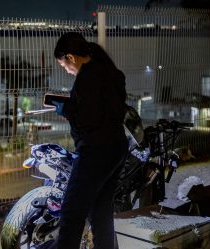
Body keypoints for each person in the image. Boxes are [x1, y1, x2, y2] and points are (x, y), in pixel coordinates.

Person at [52, 32, 128, 249]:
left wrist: (66, 109)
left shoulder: (88, 78)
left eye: (63, 65)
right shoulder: (110, 72)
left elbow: (88, 120)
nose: (66, 70)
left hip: (96, 150)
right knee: (102, 212)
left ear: (71, 57)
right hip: (116, 148)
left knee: (72, 211)